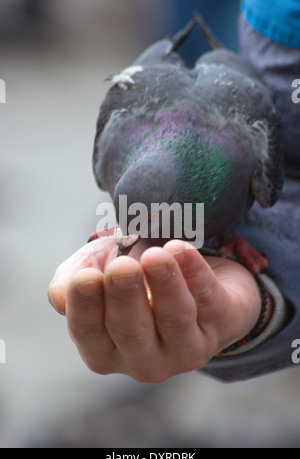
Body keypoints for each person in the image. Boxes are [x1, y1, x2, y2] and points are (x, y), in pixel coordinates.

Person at [47, 1, 300, 383]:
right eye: (126, 221)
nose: (127, 237)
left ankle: (229, 233)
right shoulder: (116, 138)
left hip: (231, 79)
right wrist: (267, 296)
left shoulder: (249, 142)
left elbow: (288, 181)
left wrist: (261, 263)